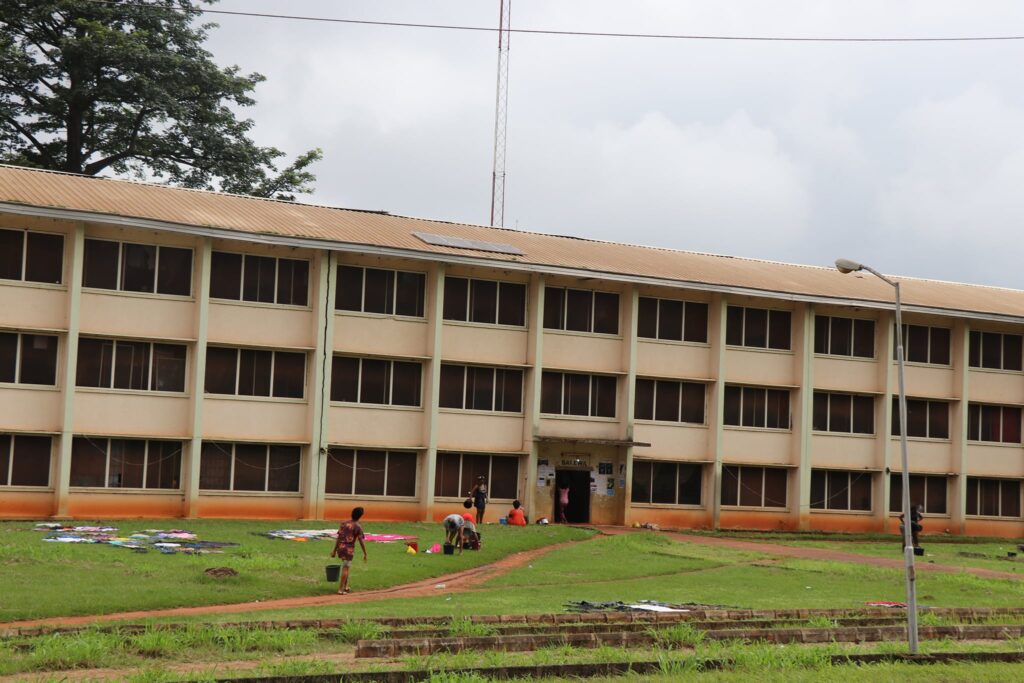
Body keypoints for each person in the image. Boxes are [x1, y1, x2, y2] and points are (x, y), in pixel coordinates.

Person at [331, 507, 367, 595]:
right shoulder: (358, 527)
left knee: (346, 566)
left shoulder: (344, 523)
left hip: (341, 547)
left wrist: (334, 550)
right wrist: (365, 553)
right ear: (360, 516)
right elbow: (361, 541)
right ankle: (340, 589)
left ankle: (346, 587)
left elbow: (339, 537)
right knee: (346, 568)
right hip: (349, 550)